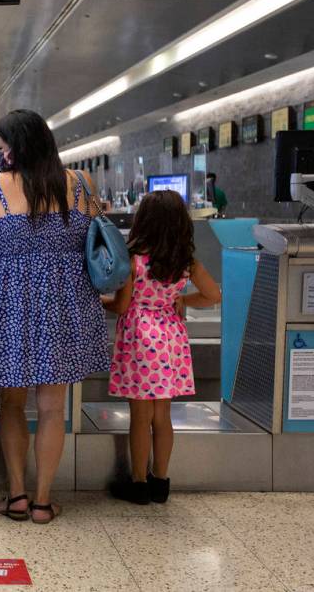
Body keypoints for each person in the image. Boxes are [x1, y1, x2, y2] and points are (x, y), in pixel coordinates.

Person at [0, 110, 110, 525]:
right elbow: (94, 232)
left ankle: (16, 495)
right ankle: (43, 503)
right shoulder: (82, 184)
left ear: (17, 148)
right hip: (66, 305)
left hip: (9, 305)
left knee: (12, 404)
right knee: (53, 407)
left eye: (2, 147)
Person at [102, 190, 221, 504]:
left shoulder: (134, 259)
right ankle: (161, 481)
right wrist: (181, 299)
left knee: (140, 417)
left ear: (144, 222)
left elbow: (123, 304)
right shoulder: (186, 262)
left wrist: (99, 301)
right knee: (162, 416)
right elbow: (213, 296)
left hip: (139, 339)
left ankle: (138, 483)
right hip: (170, 339)